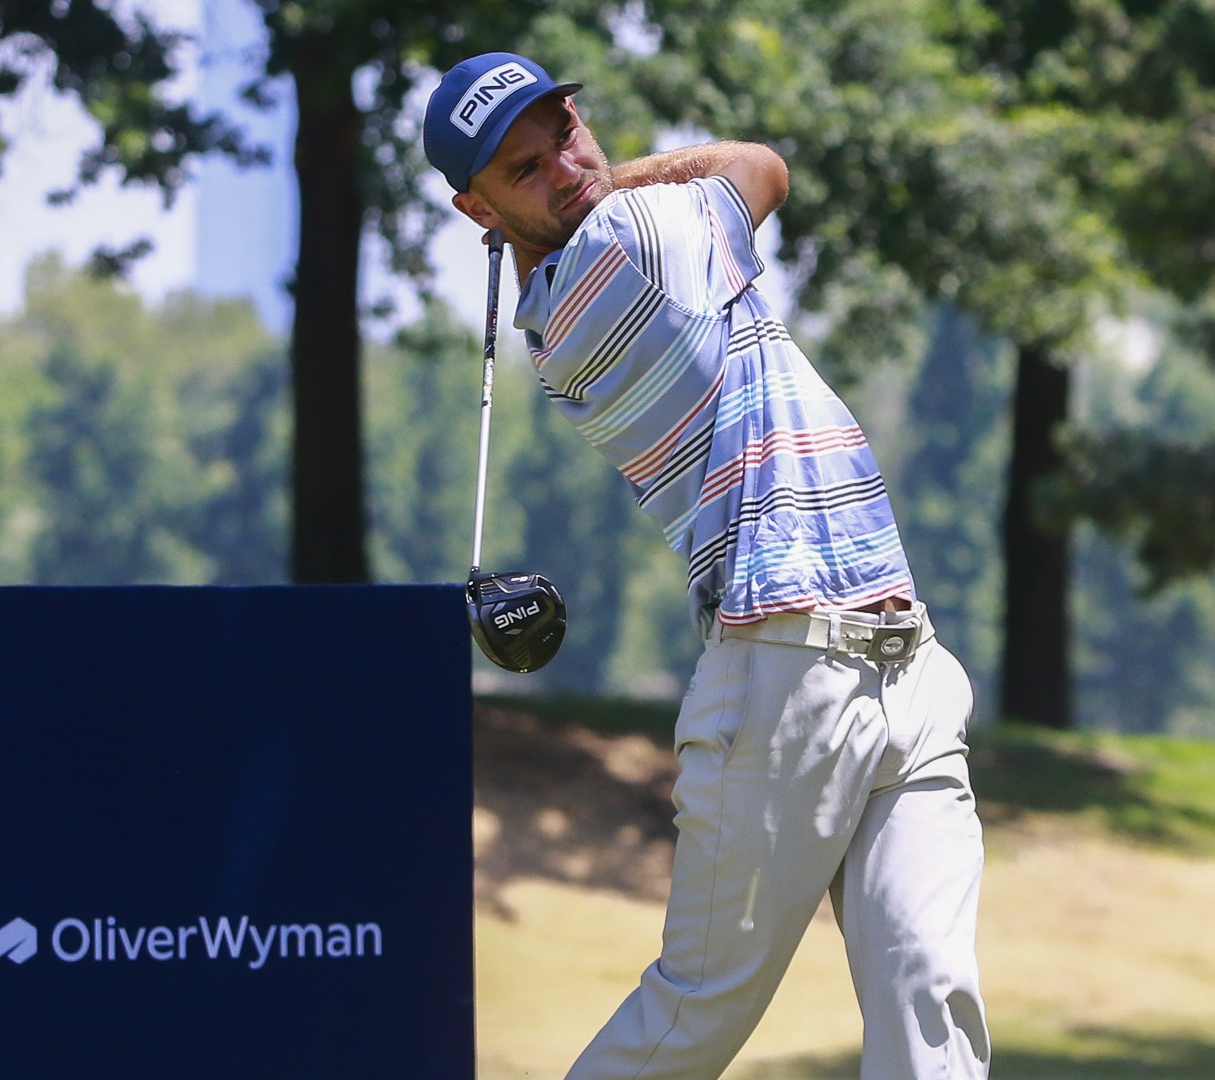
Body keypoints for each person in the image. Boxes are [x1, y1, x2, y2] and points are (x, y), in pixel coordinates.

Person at [424, 52, 991, 1080]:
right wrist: (623, 174)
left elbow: (689, 185)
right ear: (479, 210)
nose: (567, 168)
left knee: (928, 994)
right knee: (693, 1015)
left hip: (904, 661)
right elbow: (760, 166)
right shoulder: (629, 248)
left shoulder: (569, 290)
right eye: (524, 169)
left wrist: (579, 184)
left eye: (565, 134)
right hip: (784, 680)